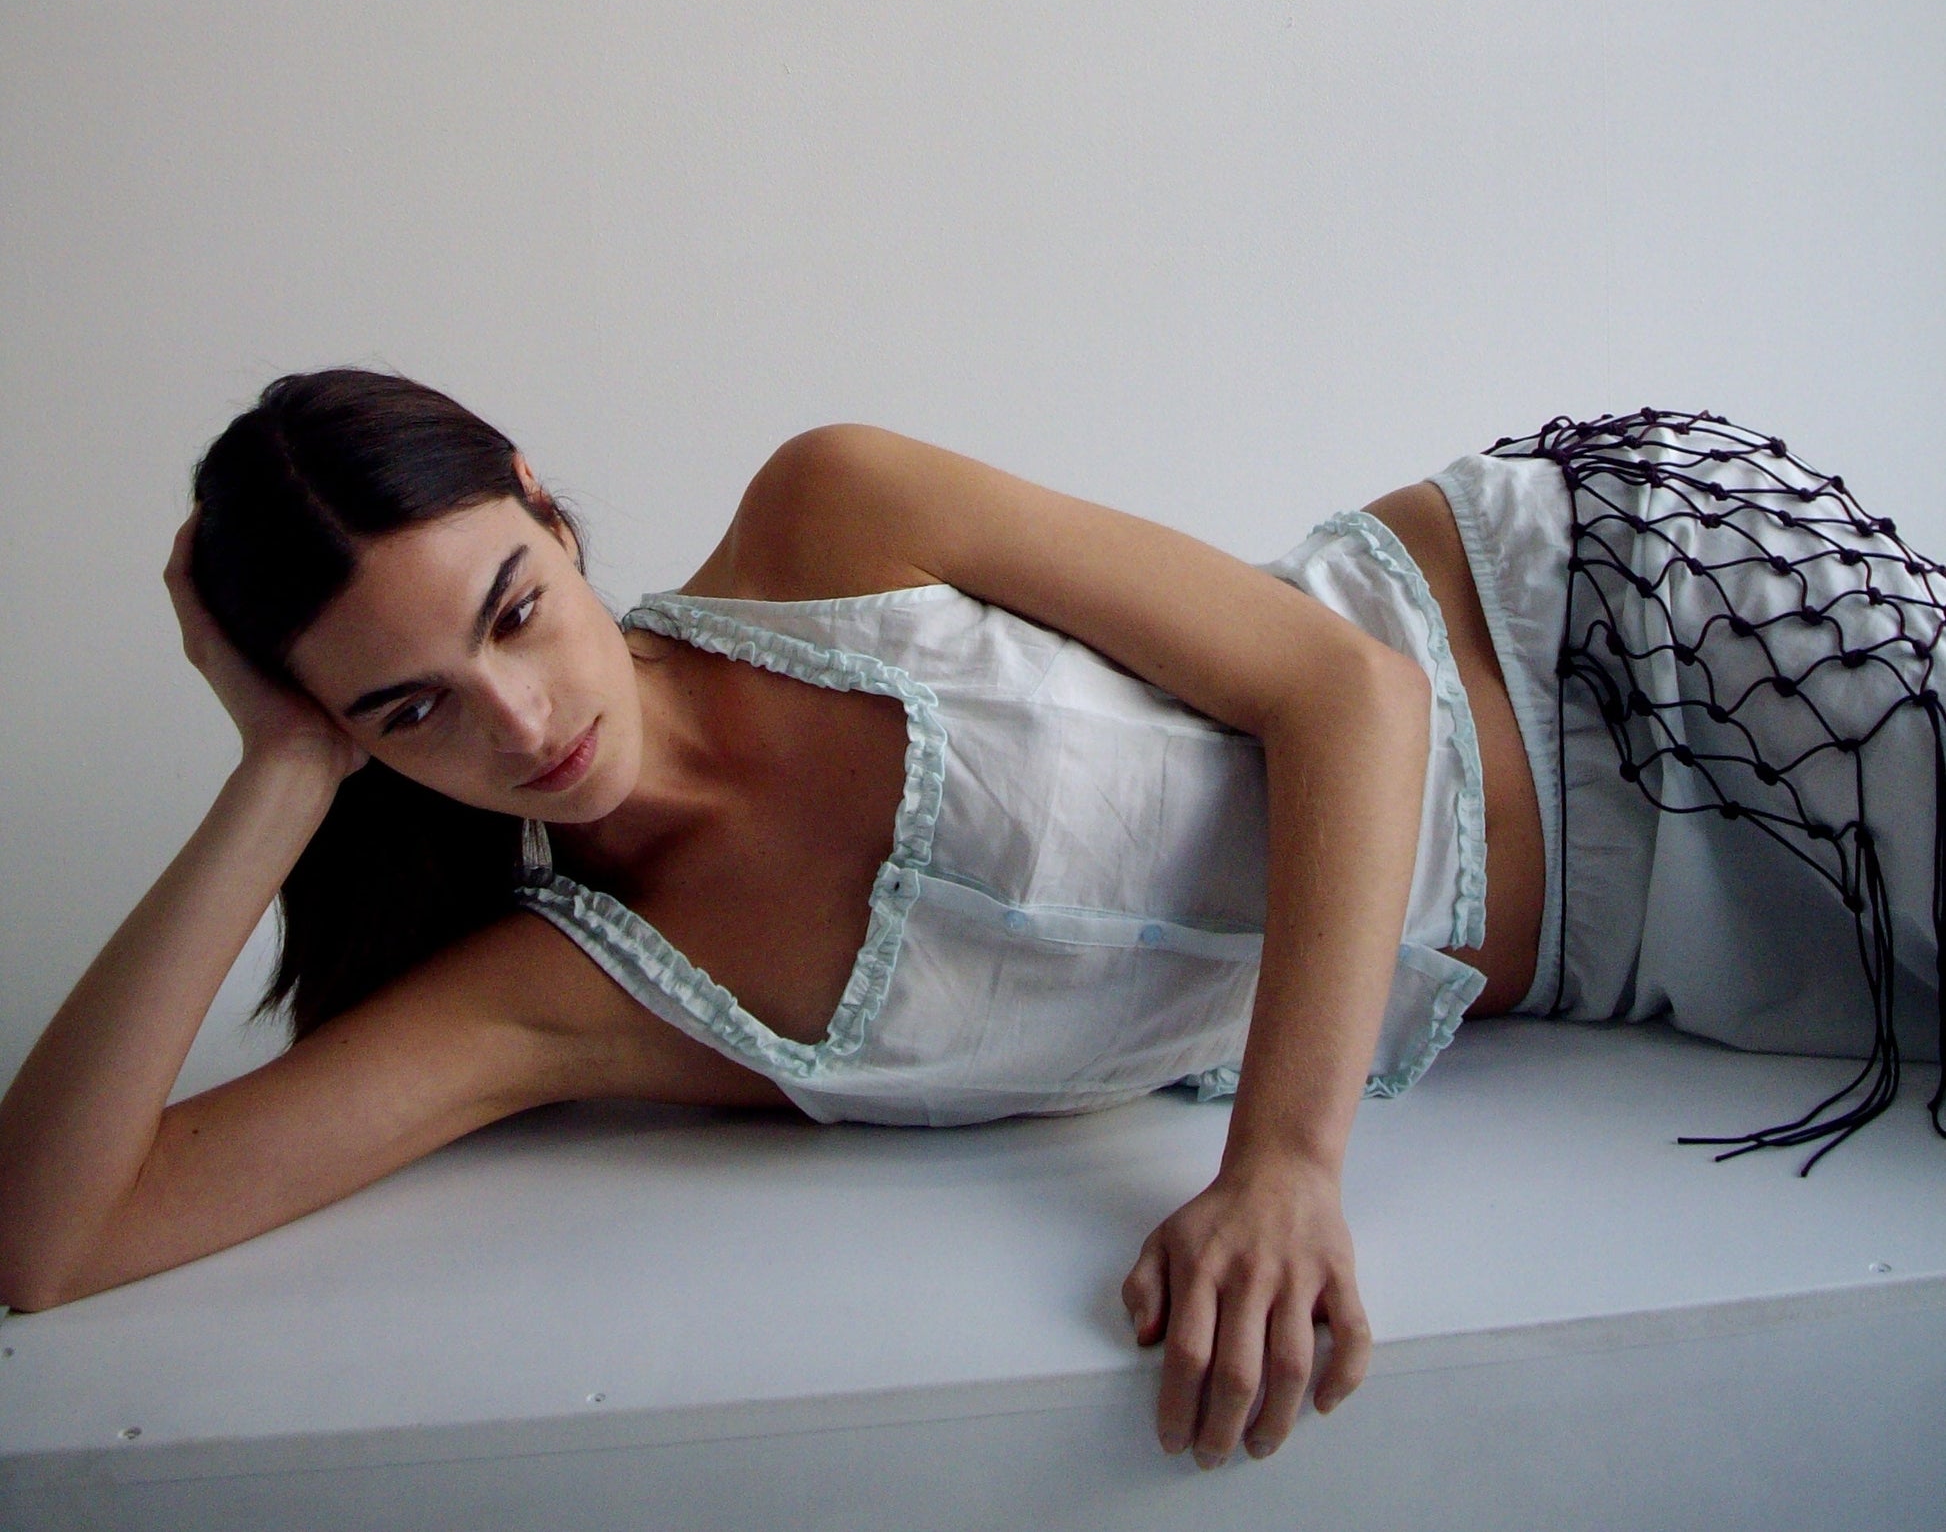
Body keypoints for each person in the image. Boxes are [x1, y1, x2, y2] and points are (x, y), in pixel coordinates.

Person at [0, 377, 1939, 1472]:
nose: (515, 724)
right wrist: (274, 766)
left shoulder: (828, 522)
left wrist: (1280, 1162)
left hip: (1594, 637)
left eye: (510, 607)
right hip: (1628, 953)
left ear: (547, 505)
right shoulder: (576, 992)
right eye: (404, 707)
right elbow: (58, 1234)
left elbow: (1350, 692)